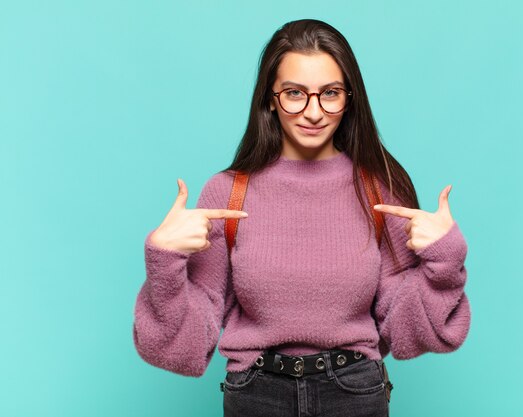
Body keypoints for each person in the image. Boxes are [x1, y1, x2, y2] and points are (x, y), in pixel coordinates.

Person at [132, 18, 471, 417]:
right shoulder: (227, 193)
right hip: (255, 395)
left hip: (354, 394)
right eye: (295, 93)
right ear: (271, 99)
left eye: (329, 93)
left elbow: (405, 328)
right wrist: (164, 262)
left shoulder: (380, 191)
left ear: (349, 98)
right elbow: (185, 346)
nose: (313, 112)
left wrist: (445, 263)